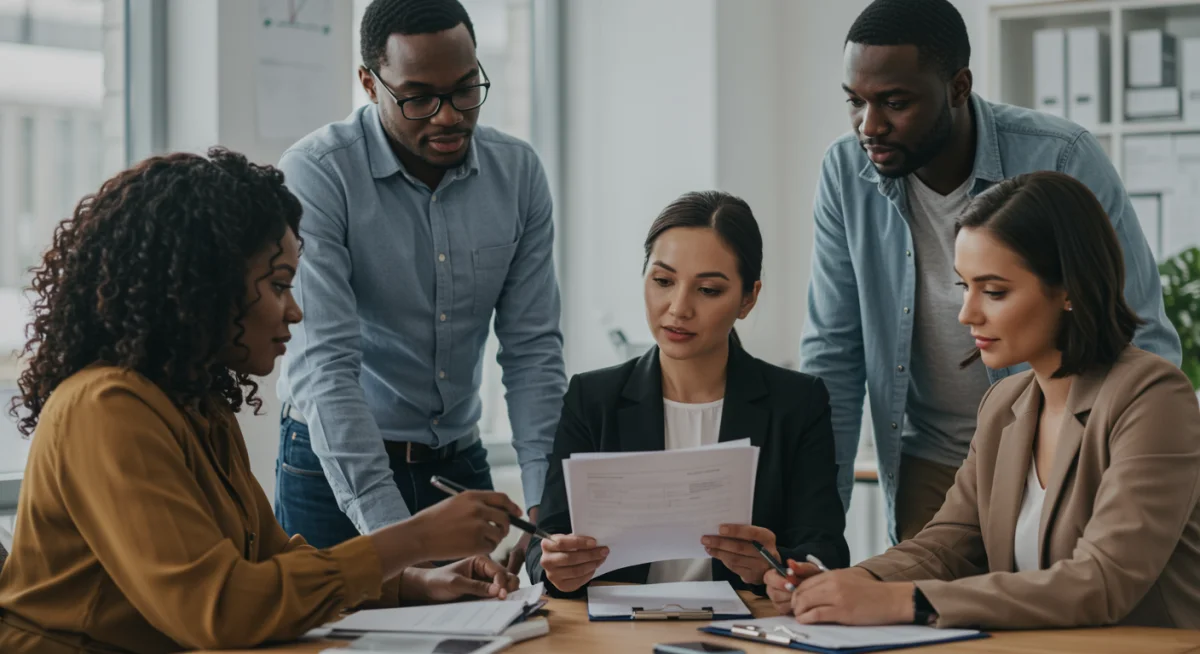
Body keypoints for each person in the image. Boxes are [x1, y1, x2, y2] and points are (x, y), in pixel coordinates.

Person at [0, 149, 525, 654]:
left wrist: (415, 583)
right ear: (204, 287)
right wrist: (412, 540)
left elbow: (267, 561)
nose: (295, 312)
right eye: (278, 285)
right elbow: (220, 609)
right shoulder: (106, 407)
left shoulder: (197, 403)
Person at [799, 0, 1182, 543]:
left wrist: (1119, 477)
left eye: (895, 103)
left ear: (959, 87)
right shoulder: (845, 171)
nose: (871, 125)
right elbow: (833, 355)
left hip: (1059, 456)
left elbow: (1136, 333)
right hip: (931, 461)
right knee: (912, 590)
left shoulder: (1061, 156)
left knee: (1068, 593)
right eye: (855, 101)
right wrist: (816, 536)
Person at [766, 171, 1200, 630]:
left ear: (1070, 289)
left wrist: (901, 601)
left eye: (994, 291)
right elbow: (947, 543)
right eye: (964, 286)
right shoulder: (1004, 404)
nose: (966, 314)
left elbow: (1102, 581)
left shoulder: (1153, 397)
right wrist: (847, 583)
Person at [273, 0, 566, 574]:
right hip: (333, 466)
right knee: (340, 624)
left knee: (487, 620)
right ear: (369, 83)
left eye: (465, 89)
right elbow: (326, 366)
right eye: (418, 98)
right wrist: (399, 548)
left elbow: (532, 352)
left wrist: (547, 504)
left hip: (456, 464)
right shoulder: (318, 173)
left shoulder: (517, 173)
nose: (448, 116)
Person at [525, 191, 849, 598]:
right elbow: (544, 543)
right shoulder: (592, 398)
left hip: (748, 624)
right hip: (616, 625)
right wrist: (557, 566)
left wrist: (778, 563)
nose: (678, 308)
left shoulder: (797, 402)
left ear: (748, 298)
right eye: (663, 281)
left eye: (708, 290)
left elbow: (825, 550)